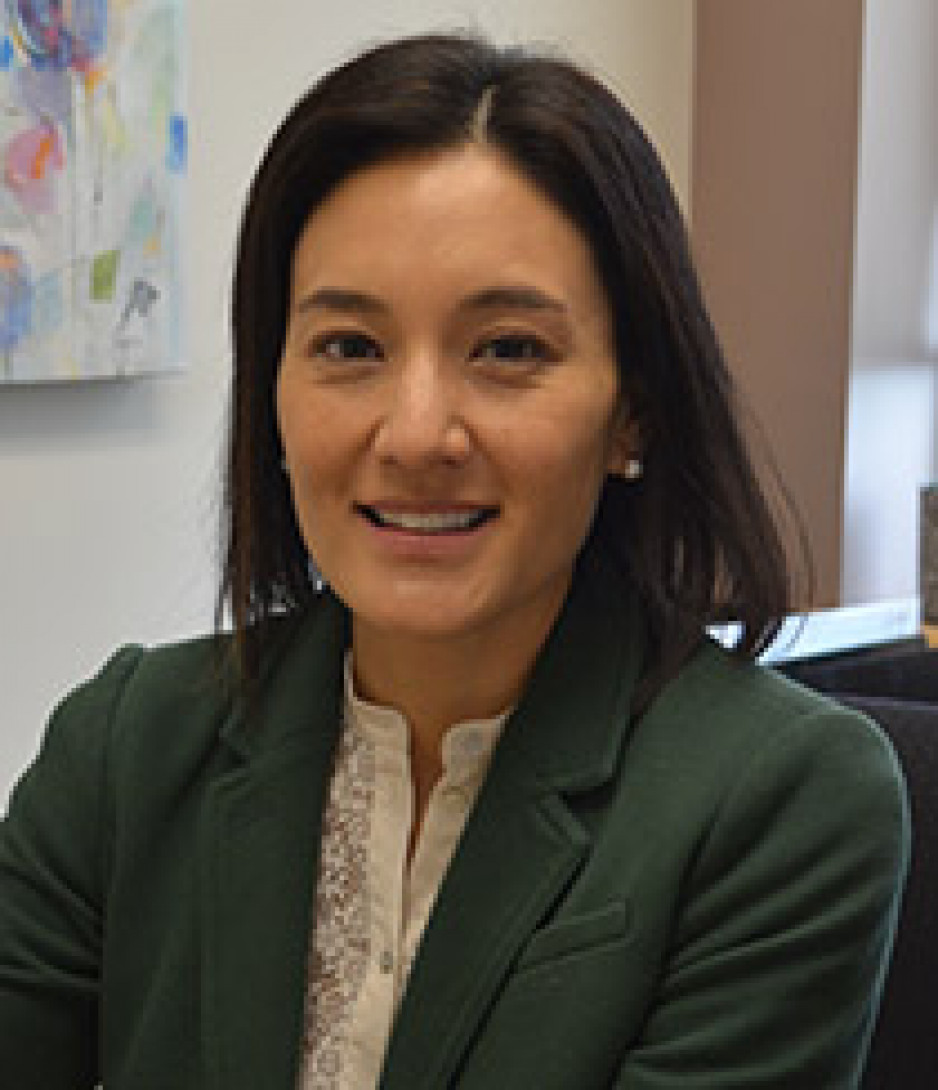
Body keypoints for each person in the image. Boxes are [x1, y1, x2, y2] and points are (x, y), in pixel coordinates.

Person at [0, 32, 909, 1090]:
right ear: (273, 401)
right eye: (350, 347)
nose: (416, 434)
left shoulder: (783, 800)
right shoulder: (125, 745)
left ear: (633, 412)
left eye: (507, 349)